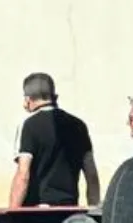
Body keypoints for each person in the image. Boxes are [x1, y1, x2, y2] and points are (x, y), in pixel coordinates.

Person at [8, 72, 101, 208]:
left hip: (35, 211)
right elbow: (91, 175)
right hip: (68, 210)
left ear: (28, 99)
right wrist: (94, 209)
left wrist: (12, 213)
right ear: (54, 97)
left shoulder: (28, 125)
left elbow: (23, 175)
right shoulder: (78, 125)